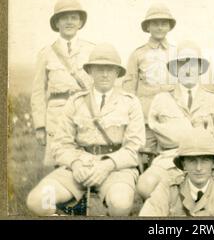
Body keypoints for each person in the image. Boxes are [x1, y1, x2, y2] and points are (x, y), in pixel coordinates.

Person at [26, 43, 146, 216]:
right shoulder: (75, 102)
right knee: (39, 201)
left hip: (116, 169)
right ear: (90, 71)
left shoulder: (130, 102)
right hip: (78, 167)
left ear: (117, 73)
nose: (104, 74)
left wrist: (107, 165)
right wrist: (75, 164)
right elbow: (60, 144)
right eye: (99, 69)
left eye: (110, 69)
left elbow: (135, 147)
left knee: (120, 205)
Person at [136, 41, 214, 203]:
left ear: (200, 69)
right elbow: (149, 140)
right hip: (171, 159)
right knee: (145, 185)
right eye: (182, 64)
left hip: (209, 160)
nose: (188, 69)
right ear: (175, 69)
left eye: (193, 64)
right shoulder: (161, 99)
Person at [31, 0, 95, 166]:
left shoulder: (91, 50)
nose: (69, 22)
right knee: (59, 163)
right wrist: (40, 126)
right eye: (64, 18)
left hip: (84, 113)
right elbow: (38, 92)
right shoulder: (46, 53)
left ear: (80, 23)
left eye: (74, 18)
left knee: (86, 160)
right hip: (56, 116)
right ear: (56, 23)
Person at [139, 128, 214, 216]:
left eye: (205, 160)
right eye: (192, 161)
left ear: (213, 163)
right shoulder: (168, 188)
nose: (199, 168)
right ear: (183, 164)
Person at [122, 4, 176, 157]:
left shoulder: (176, 53)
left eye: (164, 23)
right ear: (148, 27)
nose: (159, 27)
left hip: (170, 117)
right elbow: (129, 89)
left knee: (171, 155)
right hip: (146, 118)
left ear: (169, 26)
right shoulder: (138, 54)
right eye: (155, 23)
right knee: (146, 155)